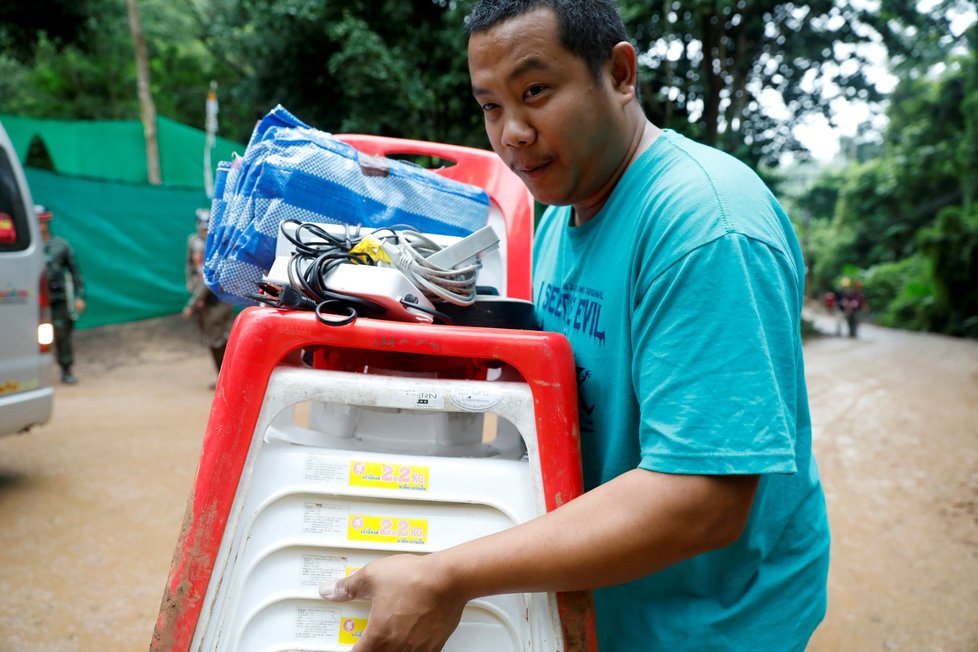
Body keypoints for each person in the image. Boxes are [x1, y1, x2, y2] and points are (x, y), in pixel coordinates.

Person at [318, 2, 830, 650]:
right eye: (491, 106)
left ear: (619, 74)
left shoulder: (706, 227)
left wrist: (449, 576)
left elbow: (704, 498)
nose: (512, 134)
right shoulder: (562, 211)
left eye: (535, 92)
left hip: (708, 618)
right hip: (602, 592)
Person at [182, 208, 233, 384]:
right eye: (202, 228)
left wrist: (192, 304)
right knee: (210, 338)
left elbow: (208, 279)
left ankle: (227, 378)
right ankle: (222, 377)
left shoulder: (217, 245)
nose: (205, 232)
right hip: (200, 297)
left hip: (215, 298)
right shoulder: (193, 241)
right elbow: (189, 264)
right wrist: (190, 282)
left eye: (208, 228)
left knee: (218, 339)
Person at [36, 205, 85, 385]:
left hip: (59, 299)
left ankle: (66, 369)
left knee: (62, 334)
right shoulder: (28, 246)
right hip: (33, 301)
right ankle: (35, 373)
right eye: (36, 221)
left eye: (42, 221)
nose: (39, 225)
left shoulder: (60, 245)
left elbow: (75, 272)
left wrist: (80, 296)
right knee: (32, 337)